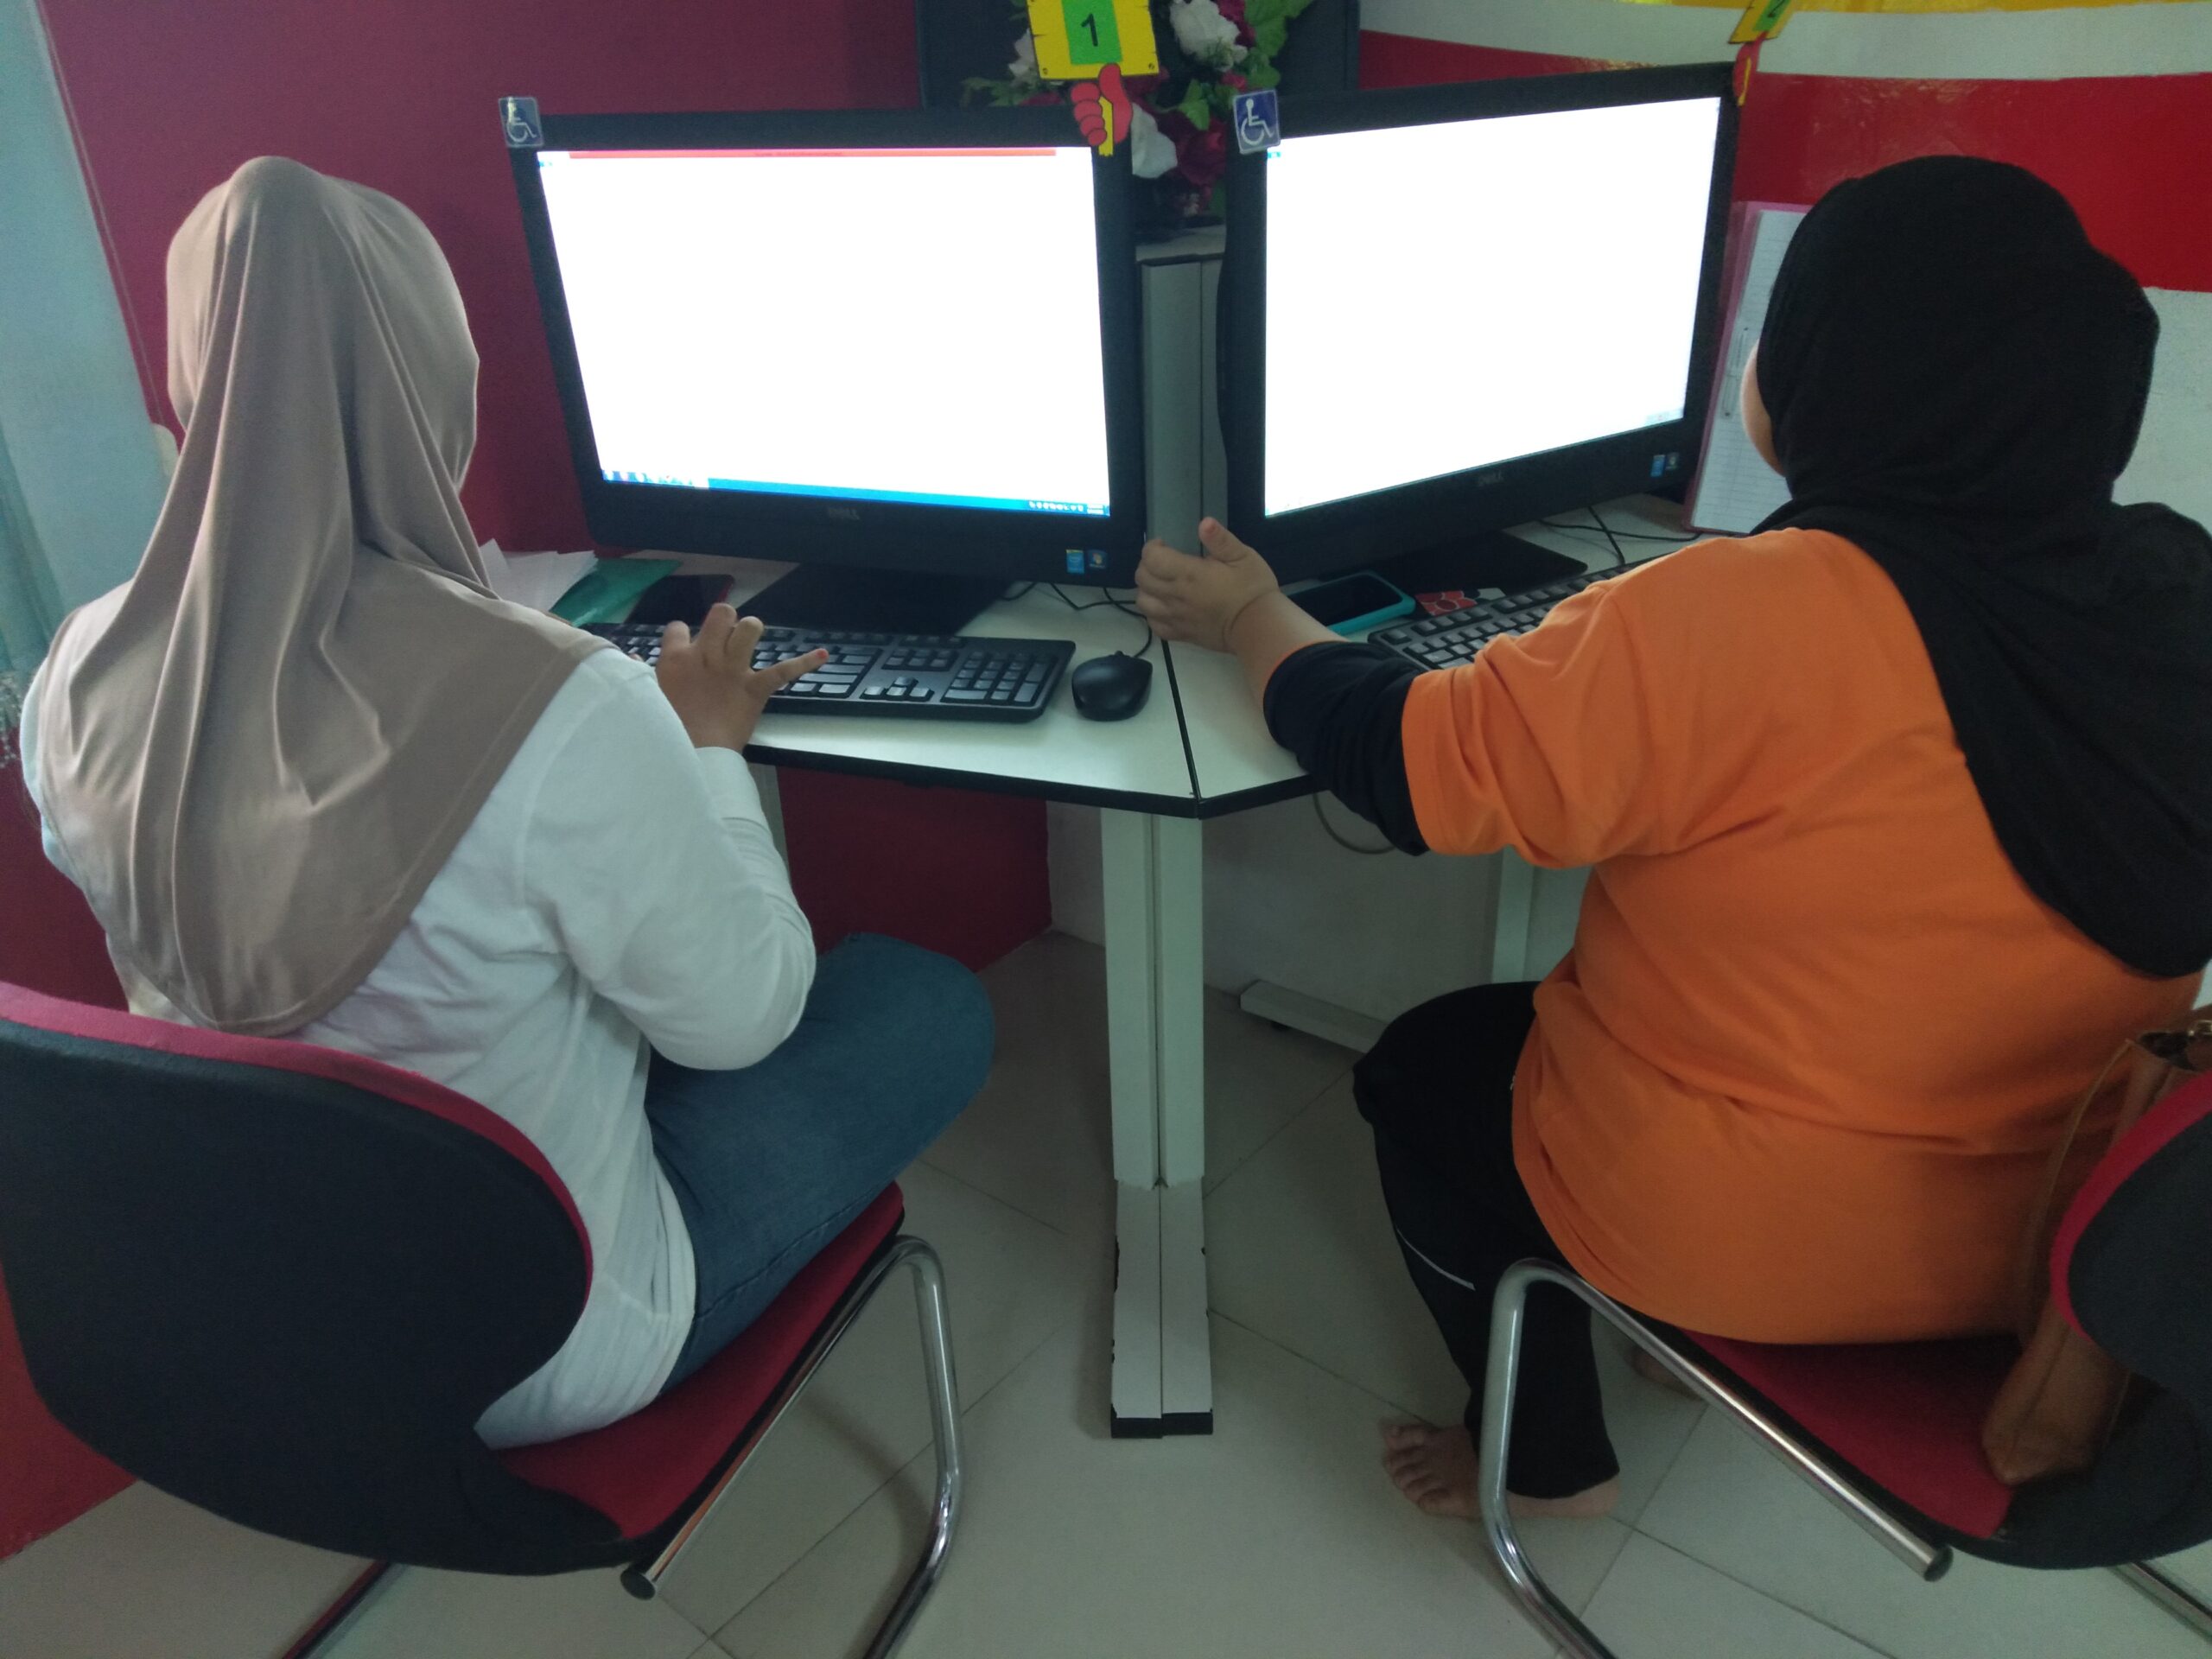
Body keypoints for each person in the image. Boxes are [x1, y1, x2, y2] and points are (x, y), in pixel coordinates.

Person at [1135, 156, 2212, 1521]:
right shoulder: (2178, 586)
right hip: (2072, 1247)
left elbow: (1404, 767)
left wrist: (1250, 614)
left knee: (1425, 1073)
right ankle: (1665, 1355)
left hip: (1747, 1238)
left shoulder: (1744, 614)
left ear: (1831, 372)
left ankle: (1547, 1461)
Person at [17, 157, 993, 1448]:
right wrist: (709, 747)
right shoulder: (557, 701)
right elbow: (747, 1021)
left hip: (269, 1311)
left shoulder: (78, 669)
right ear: (435, 382)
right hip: (542, 1341)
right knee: (921, 1002)